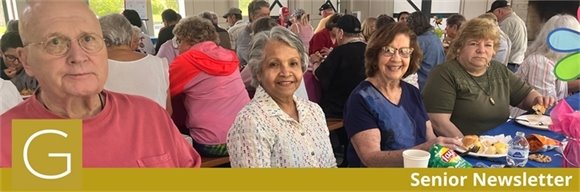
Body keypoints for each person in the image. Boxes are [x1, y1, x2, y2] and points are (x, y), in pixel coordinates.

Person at [0, 1, 201, 168]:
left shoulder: (150, 115)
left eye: (88, 39)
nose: (78, 56)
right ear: (26, 59)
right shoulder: (9, 138)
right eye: (55, 42)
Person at [344, 23, 462, 167]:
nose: (396, 59)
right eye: (388, 50)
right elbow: (371, 158)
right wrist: (425, 150)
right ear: (375, 54)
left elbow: (429, 138)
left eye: (404, 51)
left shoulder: (412, 92)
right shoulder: (361, 99)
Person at [422, 18, 555, 137]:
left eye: (488, 45)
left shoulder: (499, 69)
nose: (481, 50)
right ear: (459, 47)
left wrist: (538, 100)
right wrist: (469, 146)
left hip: (500, 145)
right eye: (473, 44)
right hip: (461, 153)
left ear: (494, 51)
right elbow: (438, 122)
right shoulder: (444, 74)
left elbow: (526, 96)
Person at [227, 27, 336, 167]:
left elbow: (331, 165)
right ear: (258, 72)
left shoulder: (314, 111)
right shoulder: (250, 122)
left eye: (293, 63)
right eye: (274, 64)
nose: (286, 72)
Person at [170, 16, 249, 157]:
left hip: (213, 143)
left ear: (187, 39)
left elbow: (161, 91)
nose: (178, 47)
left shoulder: (186, 61)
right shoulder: (229, 56)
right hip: (247, 135)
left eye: (179, 41)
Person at [99, 14, 171, 112]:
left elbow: (76, 118)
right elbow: (168, 111)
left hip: (109, 126)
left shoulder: (92, 68)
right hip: (155, 125)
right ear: (131, 36)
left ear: (102, 39)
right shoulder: (160, 64)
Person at [511, 14, 579, 116]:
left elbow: (560, 87)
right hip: (526, 121)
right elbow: (545, 107)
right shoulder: (542, 63)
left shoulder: (554, 60)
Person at [314, 14, 366, 119]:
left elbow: (319, 75)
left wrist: (315, 62)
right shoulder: (369, 50)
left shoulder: (339, 52)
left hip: (338, 110)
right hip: (364, 106)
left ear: (340, 33)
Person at [408, 12, 445, 91]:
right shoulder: (435, 37)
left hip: (424, 83)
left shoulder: (420, 41)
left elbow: (410, 65)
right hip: (438, 81)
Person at [489, 0, 527, 72]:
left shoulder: (507, 22)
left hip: (509, 64)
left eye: (494, 14)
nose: (495, 18)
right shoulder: (519, 20)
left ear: (499, 11)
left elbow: (499, 44)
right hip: (517, 62)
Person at [236, 0, 270, 69]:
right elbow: (251, 60)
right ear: (252, 16)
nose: (267, 18)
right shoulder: (244, 35)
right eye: (263, 15)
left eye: (268, 15)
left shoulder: (270, 31)